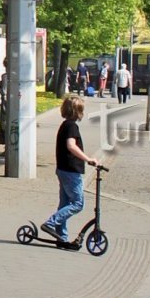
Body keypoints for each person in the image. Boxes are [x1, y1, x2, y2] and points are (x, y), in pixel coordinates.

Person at [40, 95, 105, 246]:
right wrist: (88, 159)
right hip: (70, 170)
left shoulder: (65, 125)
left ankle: (61, 236)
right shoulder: (71, 126)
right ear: (78, 111)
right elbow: (71, 145)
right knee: (77, 203)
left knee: (64, 204)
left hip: (63, 169)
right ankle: (51, 223)